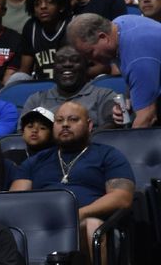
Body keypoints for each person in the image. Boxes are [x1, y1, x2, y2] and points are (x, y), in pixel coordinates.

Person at [10, 101, 134, 263]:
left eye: (73, 119)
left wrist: (78, 214)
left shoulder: (108, 155)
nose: (65, 125)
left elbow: (122, 198)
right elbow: (14, 200)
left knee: (93, 225)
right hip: (41, 225)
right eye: (59, 121)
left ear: (89, 125)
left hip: (86, 223)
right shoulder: (36, 161)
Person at [68, 14, 161, 128]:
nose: (90, 60)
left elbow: (147, 117)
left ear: (103, 37)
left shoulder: (137, 58)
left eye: (90, 53)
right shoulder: (119, 23)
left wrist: (126, 145)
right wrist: (130, 99)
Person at [22, 45, 115, 130]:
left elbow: (110, 129)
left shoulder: (103, 96)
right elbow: (24, 132)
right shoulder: (36, 100)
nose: (67, 65)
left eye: (75, 60)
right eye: (60, 61)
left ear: (86, 66)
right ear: (54, 68)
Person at [21, 0, 72, 79]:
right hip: (41, 89)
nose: (43, 7)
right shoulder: (31, 27)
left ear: (61, 6)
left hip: (72, 86)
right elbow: (25, 70)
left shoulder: (73, 25)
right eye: (37, 4)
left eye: (49, 2)